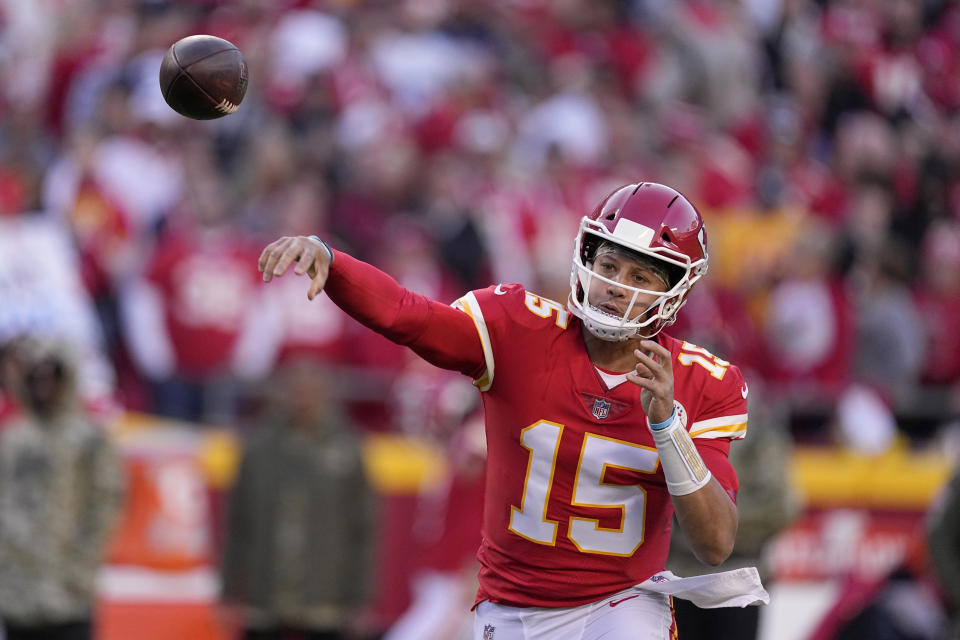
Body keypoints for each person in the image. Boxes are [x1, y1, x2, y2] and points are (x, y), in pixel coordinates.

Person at [258, 182, 768, 640]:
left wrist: (666, 426)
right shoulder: (517, 330)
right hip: (514, 609)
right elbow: (408, 315)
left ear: (675, 290)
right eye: (609, 265)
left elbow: (715, 543)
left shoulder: (703, 381)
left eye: (639, 274)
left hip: (623, 606)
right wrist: (333, 260)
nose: (615, 284)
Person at [219, 359, 377, 640]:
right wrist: (229, 592)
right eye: (296, 391)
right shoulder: (259, 446)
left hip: (325, 594)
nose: (303, 400)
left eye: (311, 392)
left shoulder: (346, 446)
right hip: (263, 593)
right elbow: (237, 524)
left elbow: (362, 528)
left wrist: (360, 598)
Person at [0, 335, 126, 640]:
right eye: (36, 378)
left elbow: (105, 507)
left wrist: (82, 568)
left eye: (51, 377)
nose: (43, 387)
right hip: (18, 592)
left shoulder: (88, 439)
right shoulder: (15, 439)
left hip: (67, 591)